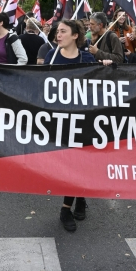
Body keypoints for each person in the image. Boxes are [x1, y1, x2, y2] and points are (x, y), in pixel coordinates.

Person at [43, 19, 96, 232]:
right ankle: (80, 197)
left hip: (83, 119)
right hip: (59, 120)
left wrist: (107, 67)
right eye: (57, 31)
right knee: (67, 164)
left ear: (75, 35)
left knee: (79, 162)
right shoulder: (52, 56)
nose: (58, 34)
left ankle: (66, 207)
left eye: (63, 31)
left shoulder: (87, 58)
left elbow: (100, 85)